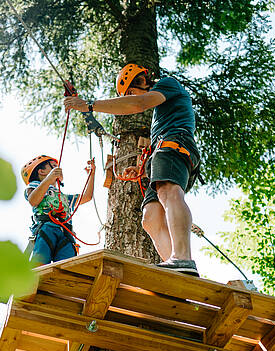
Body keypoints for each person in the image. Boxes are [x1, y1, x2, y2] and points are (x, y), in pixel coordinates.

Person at [63, 64, 201, 276]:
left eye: (129, 93)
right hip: (163, 152)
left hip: (175, 143)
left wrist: (89, 105)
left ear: (139, 81)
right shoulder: (161, 115)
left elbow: (138, 103)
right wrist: (142, 170)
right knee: (150, 218)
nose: (129, 97)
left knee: (168, 192)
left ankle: (183, 258)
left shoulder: (167, 84)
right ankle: (176, 268)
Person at [22, 154, 95, 265]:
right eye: (54, 166)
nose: (58, 168)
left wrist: (91, 174)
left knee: (67, 264)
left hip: (66, 232)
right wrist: (49, 179)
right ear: (41, 171)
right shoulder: (35, 186)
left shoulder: (64, 198)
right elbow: (33, 200)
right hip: (47, 228)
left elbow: (87, 197)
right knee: (40, 260)